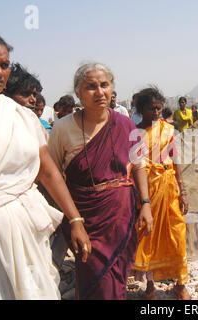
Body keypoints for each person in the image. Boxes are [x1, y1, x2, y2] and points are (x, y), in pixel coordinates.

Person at [0, 28, 91, 300]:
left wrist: (75, 218)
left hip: (21, 234)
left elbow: (48, 171)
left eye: (4, 65)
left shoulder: (21, 117)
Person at [47, 62, 153, 300]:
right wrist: (72, 219)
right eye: (90, 87)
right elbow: (52, 176)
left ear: (112, 88)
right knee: (94, 276)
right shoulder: (62, 129)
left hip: (121, 214)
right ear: (78, 93)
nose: (99, 92)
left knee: (116, 277)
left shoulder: (126, 124)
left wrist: (145, 203)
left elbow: (138, 165)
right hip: (84, 218)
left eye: (104, 85)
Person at [132, 87, 190, 300]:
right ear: (141, 109)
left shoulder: (167, 129)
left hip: (168, 187)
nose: (156, 112)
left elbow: (175, 159)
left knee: (177, 232)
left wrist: (183, 191)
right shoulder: (134, 132)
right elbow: (133, 166)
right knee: (149, 235)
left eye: (159, 108)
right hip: (147, 189)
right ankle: (150, 286)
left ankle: (181, 283)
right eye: (151, 109)